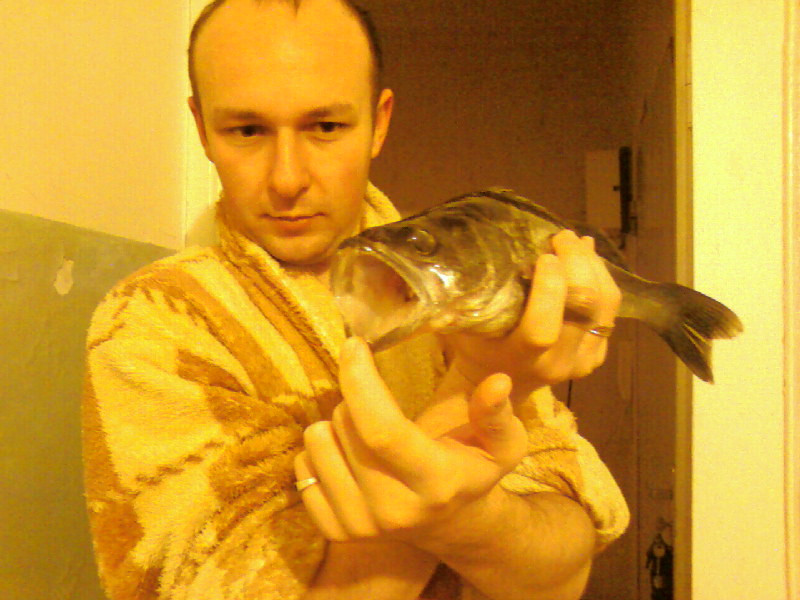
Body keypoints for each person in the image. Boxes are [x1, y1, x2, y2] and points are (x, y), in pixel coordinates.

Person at [81, 0, 629, 598]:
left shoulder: (470, 289)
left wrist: (465, 520)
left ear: (379, 122)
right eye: (247, 131)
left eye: (325, 127)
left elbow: (562, 571)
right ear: (202, 129)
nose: (287, 179)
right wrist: (474, 387)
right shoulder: (155, 321)